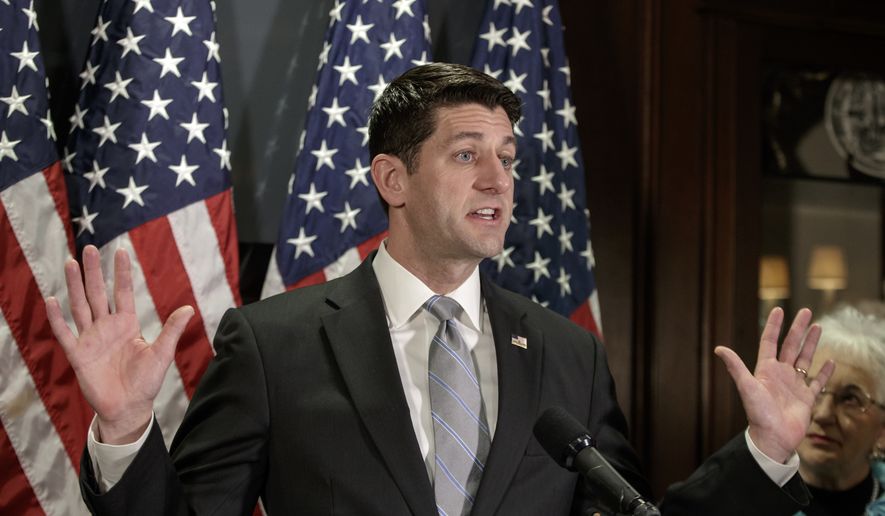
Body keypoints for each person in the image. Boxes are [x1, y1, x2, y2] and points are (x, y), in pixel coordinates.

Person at [46, 63, 834, 515]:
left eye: (508, 156)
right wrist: (123, 428)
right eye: (466, 154)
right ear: (392, 177)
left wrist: (763, 452)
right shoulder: (273, 346)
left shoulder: (567, 355)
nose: (498, 178)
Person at [794, 305, 885, 516]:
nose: (823, 414)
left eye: (850, 399)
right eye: (813, 389)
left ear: (882, 429)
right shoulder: (752, 499)